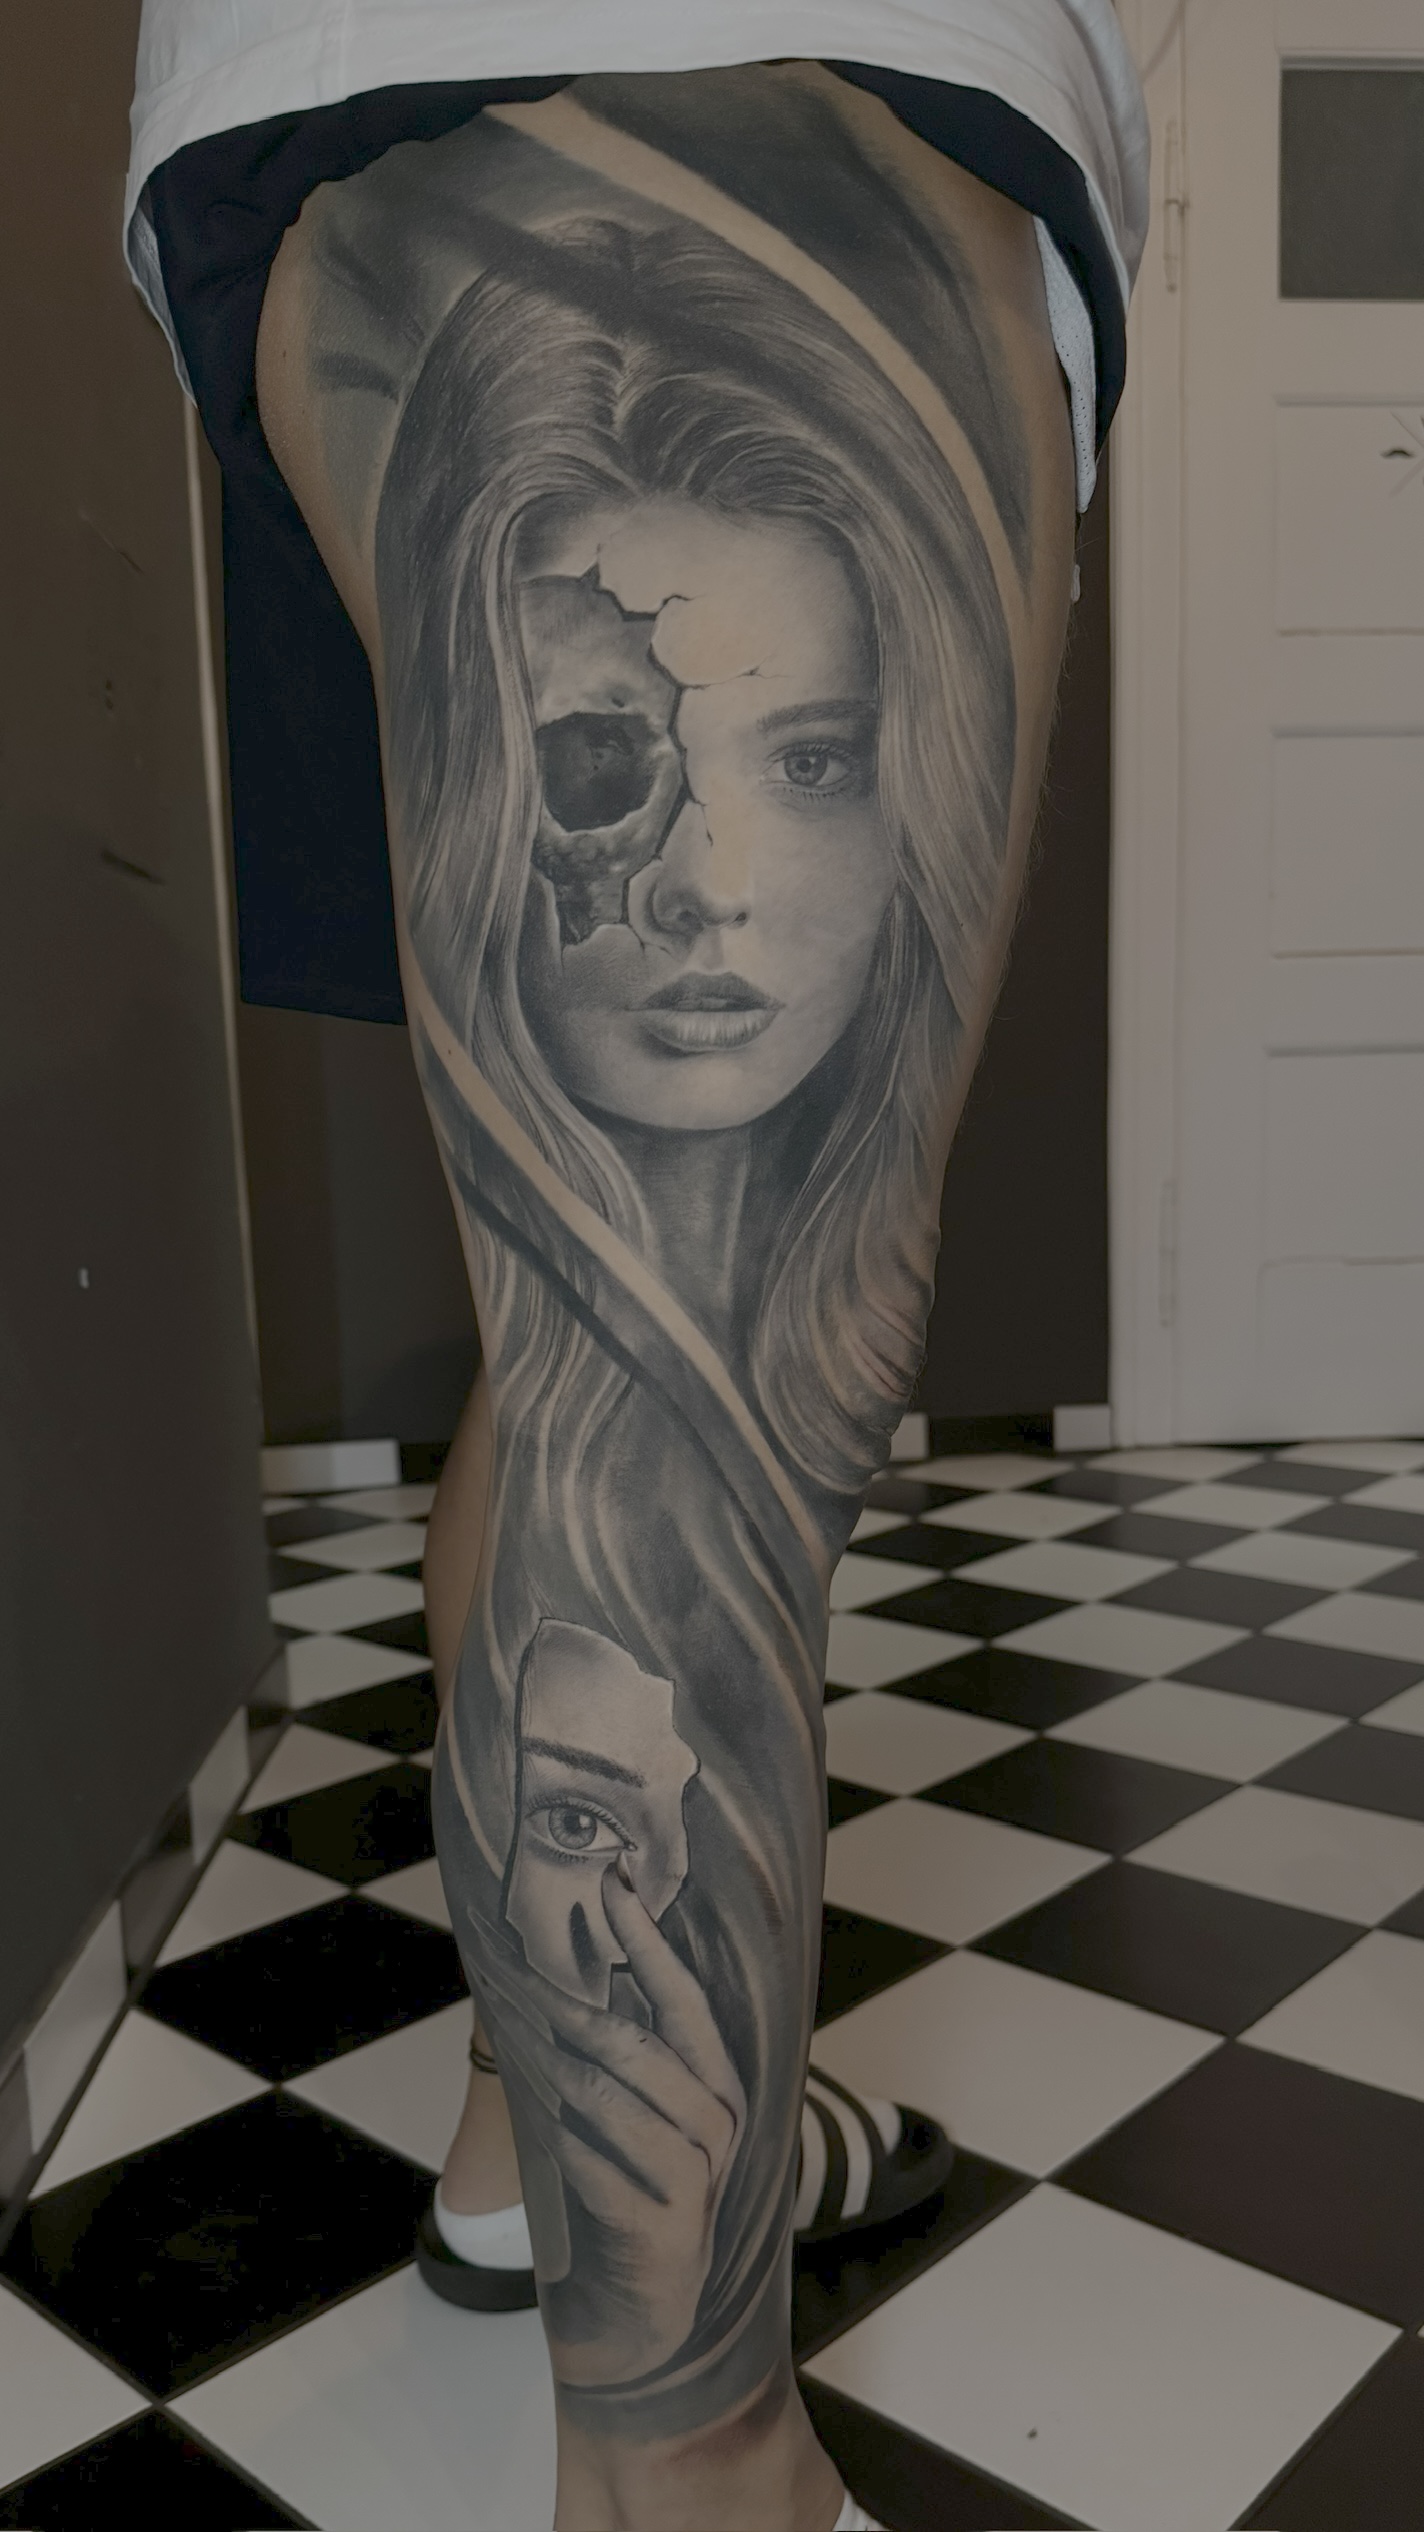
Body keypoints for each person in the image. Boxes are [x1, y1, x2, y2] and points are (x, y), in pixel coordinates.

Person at [127, 19, 1146, 2530]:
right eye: (619, 765)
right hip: (762, 49)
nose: (705, 881)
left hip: (331, 142)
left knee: (595, 1337)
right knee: (695, 1372)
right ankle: (688, 2465)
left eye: (804, 759)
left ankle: (541, 2143)